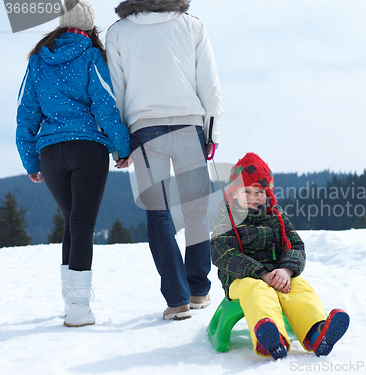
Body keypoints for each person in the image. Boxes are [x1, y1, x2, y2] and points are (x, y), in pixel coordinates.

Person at [106, 0, 224, 320]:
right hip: (189, 126)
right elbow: (209, 84)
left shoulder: (118, 32)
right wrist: (211, 132)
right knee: (196, 209)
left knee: (158, 216)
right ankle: (199, 289)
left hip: (144, 130)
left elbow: (115, 91)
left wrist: (120, 145)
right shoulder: (192, 25)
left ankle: (177, 300)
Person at [16, 0, 131, 327]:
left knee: (71, 221)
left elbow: (26, 113)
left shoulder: (38, 59)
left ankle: (71, 301)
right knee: (81, 224)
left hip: (50, 154)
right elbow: (106, 106)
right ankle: (79, 308)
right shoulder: (92, 56)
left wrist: (29, 159)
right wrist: (122, 147)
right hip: (87, 150)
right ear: (89, 25)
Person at [210, 153, 349, 359]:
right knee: (256, 289)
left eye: (259, 191)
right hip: (241, 279)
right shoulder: (226, 217)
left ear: (268, 193)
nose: (253, 197)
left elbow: (295, 245)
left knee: (299, 286)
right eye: (246, 191)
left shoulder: (277, 216)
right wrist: (261, 273)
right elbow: (222, 252)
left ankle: (316, 332)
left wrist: (286, 270)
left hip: (277, 275)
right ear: (233, 192)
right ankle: (272, 339)